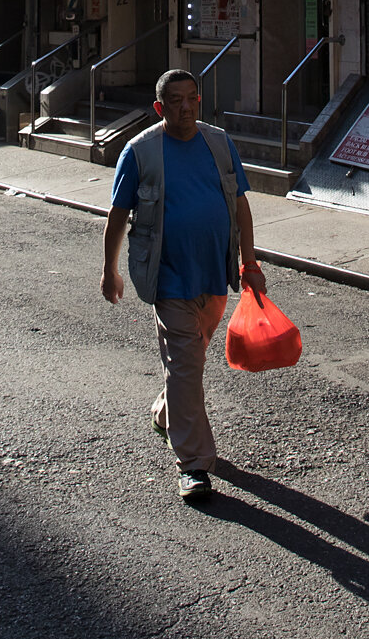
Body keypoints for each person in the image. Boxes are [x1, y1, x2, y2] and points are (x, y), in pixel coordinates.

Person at [102, 68, 265, 505]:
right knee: (187, 364)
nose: (186, 106)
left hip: (214, 274)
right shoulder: (140, 152)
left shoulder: (218, 143)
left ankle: (164, 411)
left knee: (189, 360)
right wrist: (110, 269)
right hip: (169, 276)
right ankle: (193, 465)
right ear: (160, 107)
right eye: (175, 100)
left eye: (192, 98)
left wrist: (250, 263)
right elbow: (118, 215)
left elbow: (241, 205)